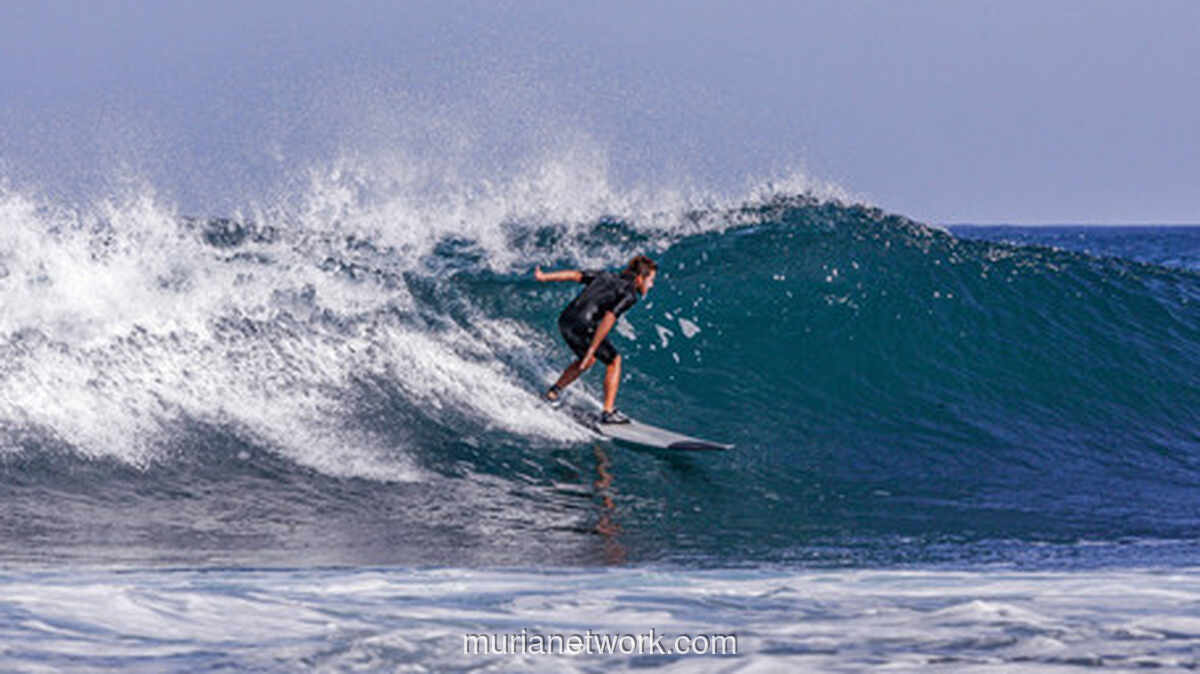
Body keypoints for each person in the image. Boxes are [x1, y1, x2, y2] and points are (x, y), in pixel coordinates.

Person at [534, 254, 657, 424]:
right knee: (614, 361)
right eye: (650, 280)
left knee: (588, 360)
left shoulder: (605, 275)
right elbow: (609, 317)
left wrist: (544, 277)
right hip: (583, 324)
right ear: (639, 278)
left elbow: (575, 275)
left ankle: (553, 392)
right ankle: (608, 413)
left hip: (566, 320)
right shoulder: (629, 294)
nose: (651, 285)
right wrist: (592, 347)